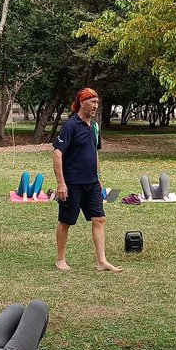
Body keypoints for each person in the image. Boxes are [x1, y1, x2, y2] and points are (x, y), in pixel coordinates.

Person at [52, 88, 121, 272]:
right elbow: (57, 153)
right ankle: (60, 259)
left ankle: (101, 261)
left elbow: (95, 153)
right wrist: (61, 183)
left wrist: (98, 177)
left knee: (99, 219)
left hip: (91, 183)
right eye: (92, 101)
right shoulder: (71, 125)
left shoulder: (95, 126)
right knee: (66, 222)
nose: (95, 106)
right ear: (82, 103)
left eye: (97, 102)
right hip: (72, 184)